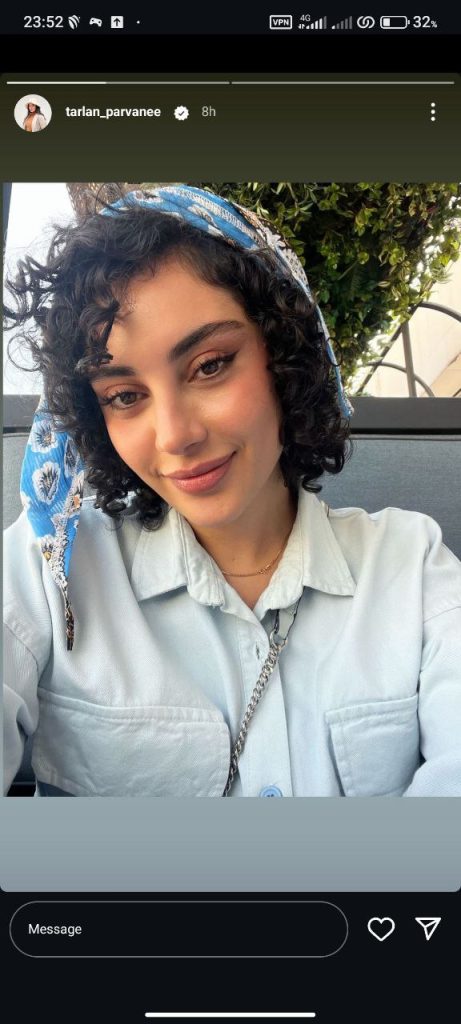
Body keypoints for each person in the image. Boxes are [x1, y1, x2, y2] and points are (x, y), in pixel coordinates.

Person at [3, 184, 461, 797]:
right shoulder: (46, 571)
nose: (176, 436)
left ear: (283, 354)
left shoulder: (412, 569)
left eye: (210, 365)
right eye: (125, 395)